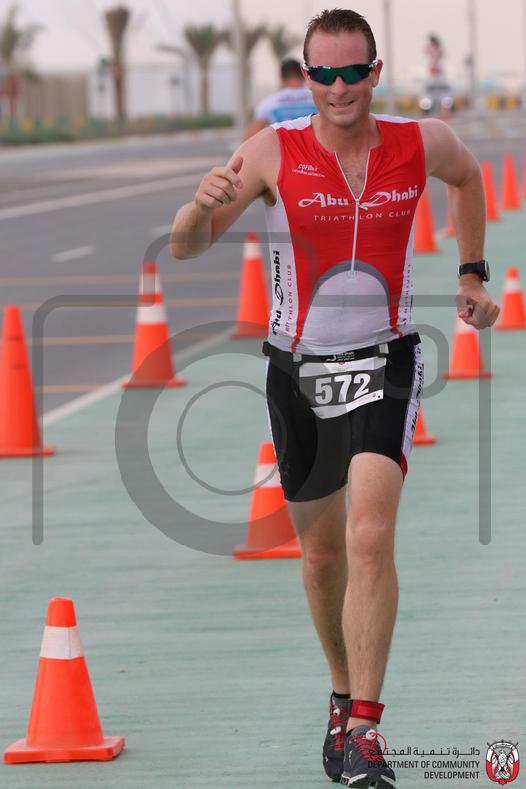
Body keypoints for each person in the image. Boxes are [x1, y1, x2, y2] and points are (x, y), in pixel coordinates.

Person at [171, 8, 499, 787]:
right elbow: (187, 245)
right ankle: (342, 693)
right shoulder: (271, 151)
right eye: (324, 73)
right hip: (298, 371)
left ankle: (365, 730)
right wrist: (199, 204)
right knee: (321, 558)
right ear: (307, 75)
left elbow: (469, 177)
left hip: (387, 358)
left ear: (375, 73)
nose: (340, 87)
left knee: (371, 533)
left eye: (354, 72)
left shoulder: (420, 142)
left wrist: (472, 272)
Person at [244, 58, 317, 139]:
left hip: (283, 145)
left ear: (281, 78)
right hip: (314, 145)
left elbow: (250, 136)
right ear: (304, 75)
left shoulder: (269, 103)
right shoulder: (316, 98)